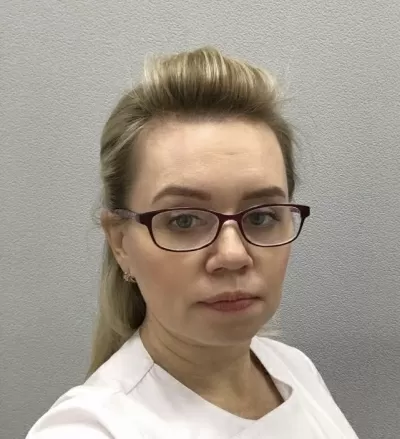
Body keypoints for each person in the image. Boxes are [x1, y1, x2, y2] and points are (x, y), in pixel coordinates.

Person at [26, 46, 359, 438]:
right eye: (183, 220)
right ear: (121, 243)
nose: (233, 255)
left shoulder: (294, 369)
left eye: (261, 217)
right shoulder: (91, 428)